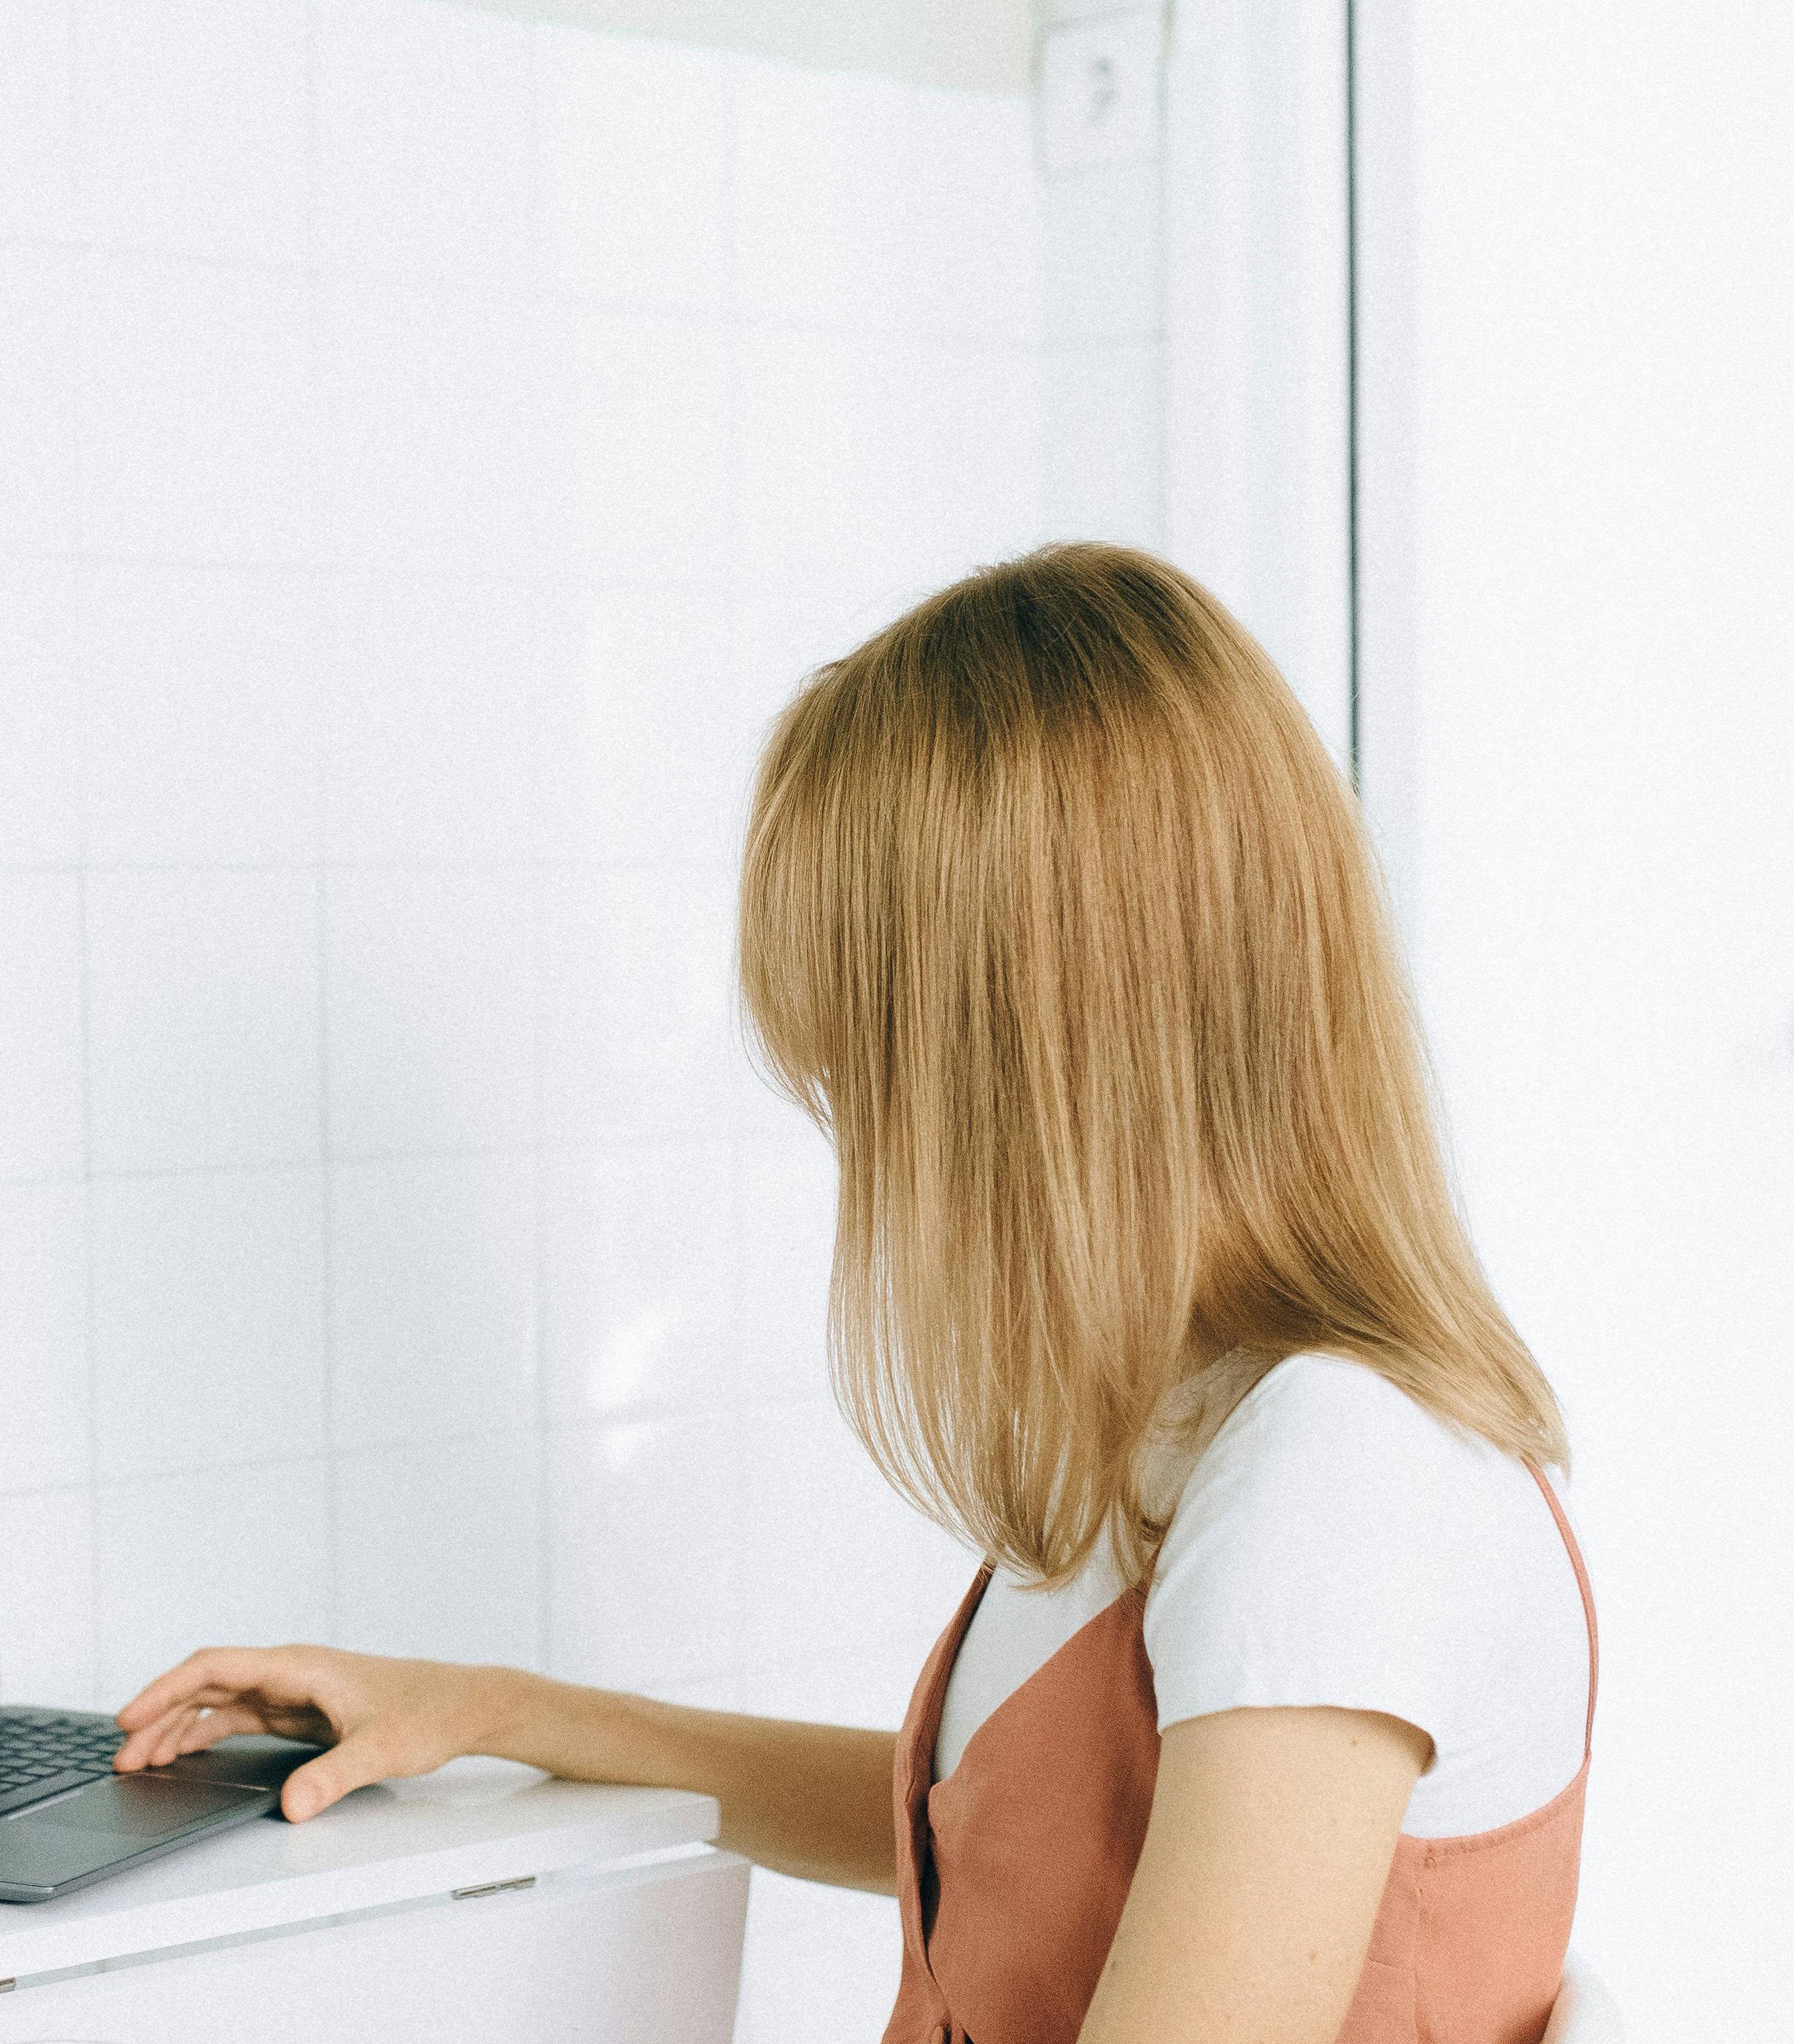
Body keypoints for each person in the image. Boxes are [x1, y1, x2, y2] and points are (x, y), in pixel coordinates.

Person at [112, 546, 1592, 2043]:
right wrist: (490, 1710)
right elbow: (993, 1830)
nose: (863, 1137)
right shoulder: (1211, 1420)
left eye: (872, 1074)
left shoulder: (1334, 1484)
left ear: (1028, 1059)